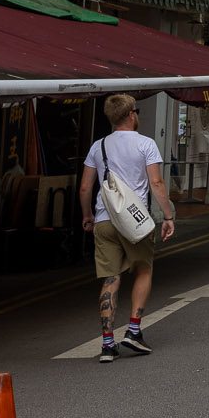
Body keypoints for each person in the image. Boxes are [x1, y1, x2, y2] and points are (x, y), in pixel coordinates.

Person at [80, 95, 175, 361]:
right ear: (131, 114)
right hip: (135, 221)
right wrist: (167, 217)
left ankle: (107, 344)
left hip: (105, 220)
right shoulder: (146, 144)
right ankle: (133, 331)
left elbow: (86, 186)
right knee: (143, 270)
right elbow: (156, 184)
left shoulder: (98, 146)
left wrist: (88, 215)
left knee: (111, 278)